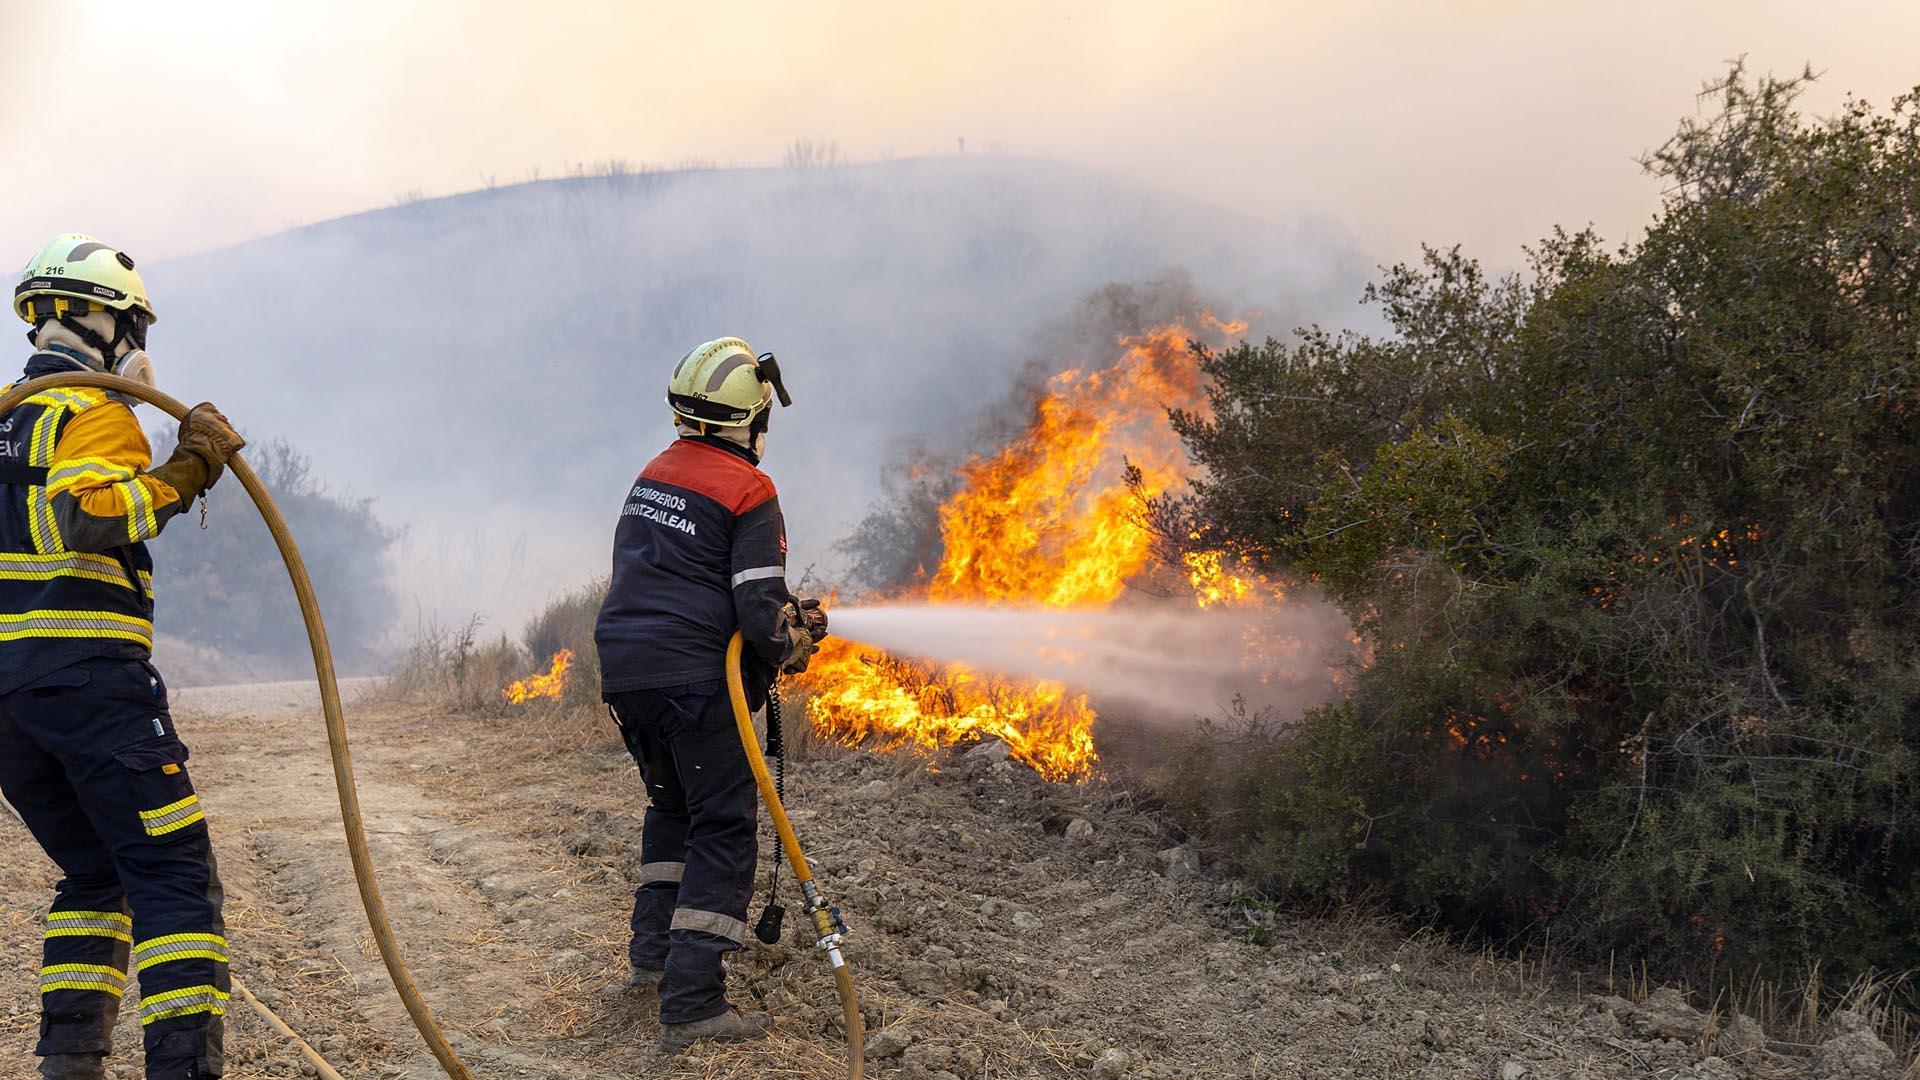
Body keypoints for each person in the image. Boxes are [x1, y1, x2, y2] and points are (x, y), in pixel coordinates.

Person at [0, 234, 246, 1080]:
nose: (138, 347)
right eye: (131, 324)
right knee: (173, 877)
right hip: (91, 685)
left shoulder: (6, 419)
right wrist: (190, 466)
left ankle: (69, 1066)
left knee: (94, 873)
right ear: (96, 320)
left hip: (11, 705)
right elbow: (88, 516)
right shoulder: (93, 412)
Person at [594, 336, 828, 1052]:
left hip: (627, 675)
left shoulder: (653, 474)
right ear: (746, 420)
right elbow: (761, 615)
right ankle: (692, 1001)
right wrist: (798, 638)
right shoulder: (748, 488)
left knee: (674, 809)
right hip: (694, 679)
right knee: (723, 824)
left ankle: (653, 961)